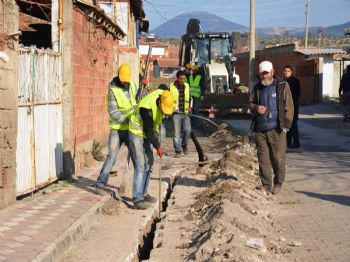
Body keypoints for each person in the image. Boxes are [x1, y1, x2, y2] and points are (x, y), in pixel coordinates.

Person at [248, 61, 294, 195]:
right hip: (260, 129)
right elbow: (250, 104)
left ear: (272, 72)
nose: (264, 76)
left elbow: (289, 106)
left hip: (277, 128)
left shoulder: (282, 86)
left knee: (278, 158)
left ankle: (278, 182)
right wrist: (256, 108)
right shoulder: (257, 88)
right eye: (262, 73)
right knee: (263, 159)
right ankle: (266, 185)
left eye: (267, 73)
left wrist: (286, 125)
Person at [128, 86, 174, 210]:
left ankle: (144, 193)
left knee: (150, 163)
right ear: (160, 102)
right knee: (141, 165)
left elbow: (163, 87)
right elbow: (148, 131)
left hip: (146, 134)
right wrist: (157, 146)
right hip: (136, 133)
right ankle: (137, 199)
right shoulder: (147, 108)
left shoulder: (163, 94)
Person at [95, 64, 137, 194]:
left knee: (136, 157)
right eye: (123, 80)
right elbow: (113, 111)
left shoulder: (133, 85)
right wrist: (126, 119)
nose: (125, 82)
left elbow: (137, 101)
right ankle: (100, 183)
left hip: (131, 128)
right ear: (119, 77)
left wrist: (144, 88)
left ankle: (138, 189)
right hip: (117, 129)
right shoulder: (113, 89)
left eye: (127, 80)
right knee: (112, 156)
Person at [170, 70, 192, 157]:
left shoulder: (187, 86)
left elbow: (190, 98)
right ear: (177, 78)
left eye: (184, 79)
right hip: (176, 113)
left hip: (185, 113)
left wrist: (190, 107)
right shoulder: (171, 87)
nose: (183, 80)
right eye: (181, 79)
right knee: (177, 133)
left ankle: (184, 145)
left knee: (188, 130)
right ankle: (178, 151)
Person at [283, 65, 301, 148]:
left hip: (293, 106)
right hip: (284, 107)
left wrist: (291, 102)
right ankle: (288, 142)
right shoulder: (282, 81)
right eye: (285, 71)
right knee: (287, 125)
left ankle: (296, 143)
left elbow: (298, 93)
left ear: (291, 72)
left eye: (288, 71)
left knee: (293, 125)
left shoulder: (295, 81)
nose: (286, 72)